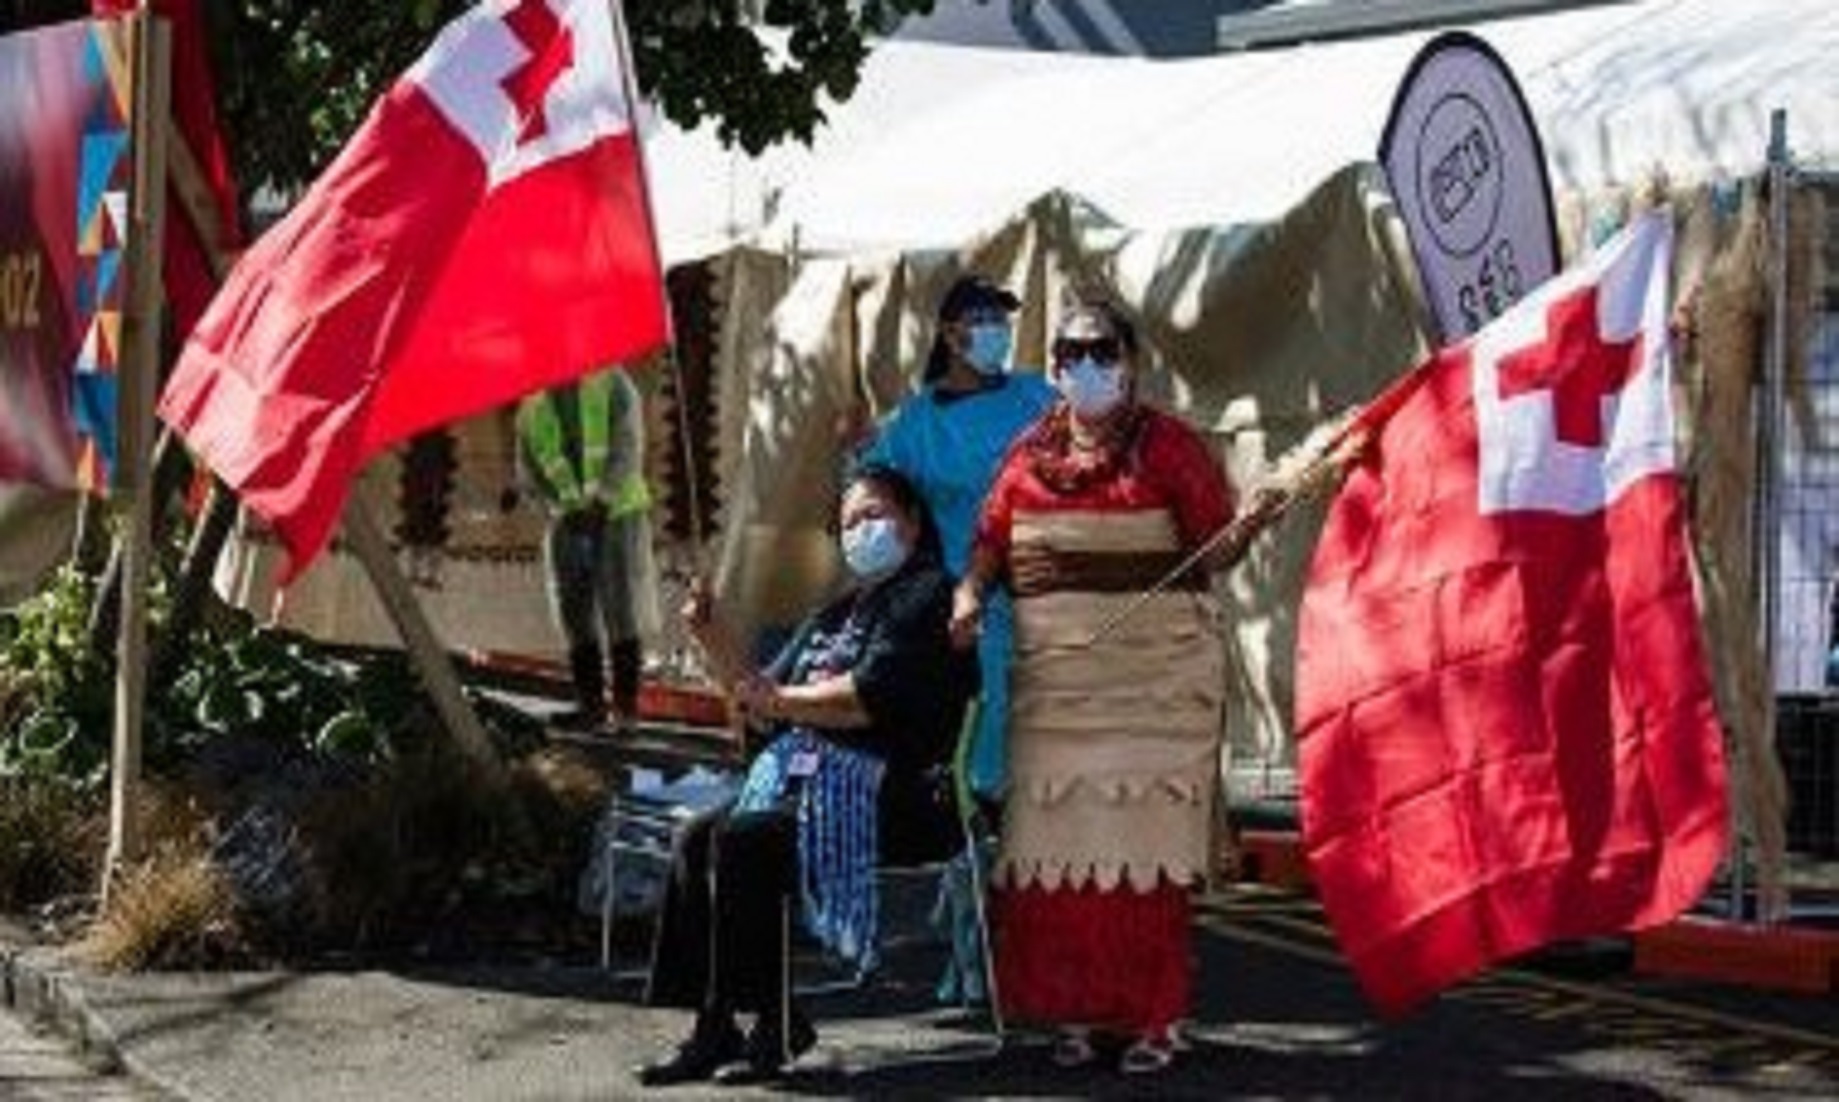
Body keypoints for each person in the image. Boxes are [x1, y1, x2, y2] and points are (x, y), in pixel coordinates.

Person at [950, 298, 1236, 1075]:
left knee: (1144, 861)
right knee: (1056, 862)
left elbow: (1215, 551)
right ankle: (1077, 1014)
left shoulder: (1170, 448)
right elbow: (988, 545)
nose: (1085, 366)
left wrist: (1244, 523)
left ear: (1130, 360)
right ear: (1052, 367)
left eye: (1100, 351)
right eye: (1070, 353)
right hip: (1056, 686)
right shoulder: (1025, 453)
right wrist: (969, 596)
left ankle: (1153, 1019)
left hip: (1155, 685)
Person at [636, 464, 974, 1086]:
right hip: (811, 788)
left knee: (747, 839)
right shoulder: (839, 612)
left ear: (913, 521)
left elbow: (862, 701)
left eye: (875, 515)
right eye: (850, 523)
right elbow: (760, 696)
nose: (862, 530)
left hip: (897, 792)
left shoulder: (929, 597)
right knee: (697, 838)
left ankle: (773, 1021)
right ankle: (714, 1026)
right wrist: (712, 637)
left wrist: (779, 703)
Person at [860, 274, 1056, 799]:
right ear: (950, 334)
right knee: (987, 753)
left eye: (1001, 320)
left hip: (1055, 602)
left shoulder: (1039, 395)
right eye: (982, 320)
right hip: (970, 617)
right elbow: (869, 490)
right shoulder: (915, 424)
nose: (997, 331)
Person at [511, 367, 654, 732]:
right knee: (573, 612)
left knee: (619, 607)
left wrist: (603, 501)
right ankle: (590, 707)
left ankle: (626, 712)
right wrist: (557, 511)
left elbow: (628, 444)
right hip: (568, 520)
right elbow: (529, 475)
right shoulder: (532, 408)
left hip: (617, 512)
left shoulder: (613, 383)